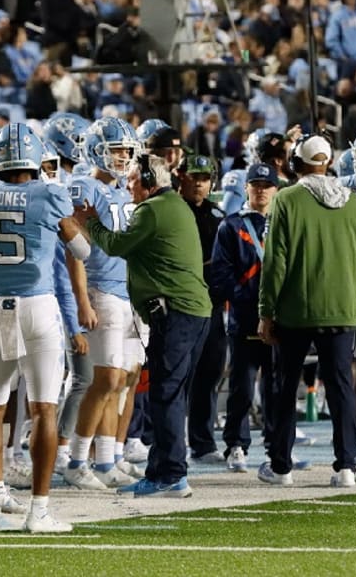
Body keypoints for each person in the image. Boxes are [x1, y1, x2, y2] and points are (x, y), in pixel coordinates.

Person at [0, 122, 90, 532]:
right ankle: (39, 510)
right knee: (43, 408)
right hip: (38, 305)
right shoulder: (50, 193)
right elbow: (82, 249)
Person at [74, 153, 211, 497]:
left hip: (176, 312)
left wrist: (91, 221)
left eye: (135, 179)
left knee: (165, 395)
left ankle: (171, 474)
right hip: (191, 311)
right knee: (172, 394)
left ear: (150, 181)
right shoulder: (175, 205)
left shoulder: (152, 210)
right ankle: (165, 470)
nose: (128, 185)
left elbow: (115, 245)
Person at [258, 134, 356, 487]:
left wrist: (266, 310)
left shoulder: (286, 198)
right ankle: (347, 465)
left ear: (296, 164)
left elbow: (276, 260)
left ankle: (281, 466)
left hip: (297, 308)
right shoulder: (353, 201)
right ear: (328, 161)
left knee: (285, 388)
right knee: (342, 388)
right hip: (343, 306)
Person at [63, 117, 142, 490]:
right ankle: (77, 460)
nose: (123, 156)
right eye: (116, 149)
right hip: (101, 288)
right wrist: (82, 300)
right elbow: (74, 250)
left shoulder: (124, 191)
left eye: (127, 149)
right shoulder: (83, 187)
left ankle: (107, 459)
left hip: (127, 291)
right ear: (96, 150)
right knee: (105, 377)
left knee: (121, 381)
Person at [210, 162, 279, 473]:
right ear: (247, 188)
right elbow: (221, 274)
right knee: (242, 385)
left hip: (280, 319)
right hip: (245, 317)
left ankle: (278, 446)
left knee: (277, 387)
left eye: (267, 184)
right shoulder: (231, 226)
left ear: (276, 189)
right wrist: (247, 300)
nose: (261, 189)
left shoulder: (286, 222)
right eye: (256, 184)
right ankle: (236, 445)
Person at [178, 154, 227, 463]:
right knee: (177, 374)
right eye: (194, 176)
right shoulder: (171, 210)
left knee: (210, 370)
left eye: (204, 178)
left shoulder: (218, 216)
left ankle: (202, 440)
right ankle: (167, 439)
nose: (199, 183)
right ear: (181, 177)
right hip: (180, 305)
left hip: (211, 305)